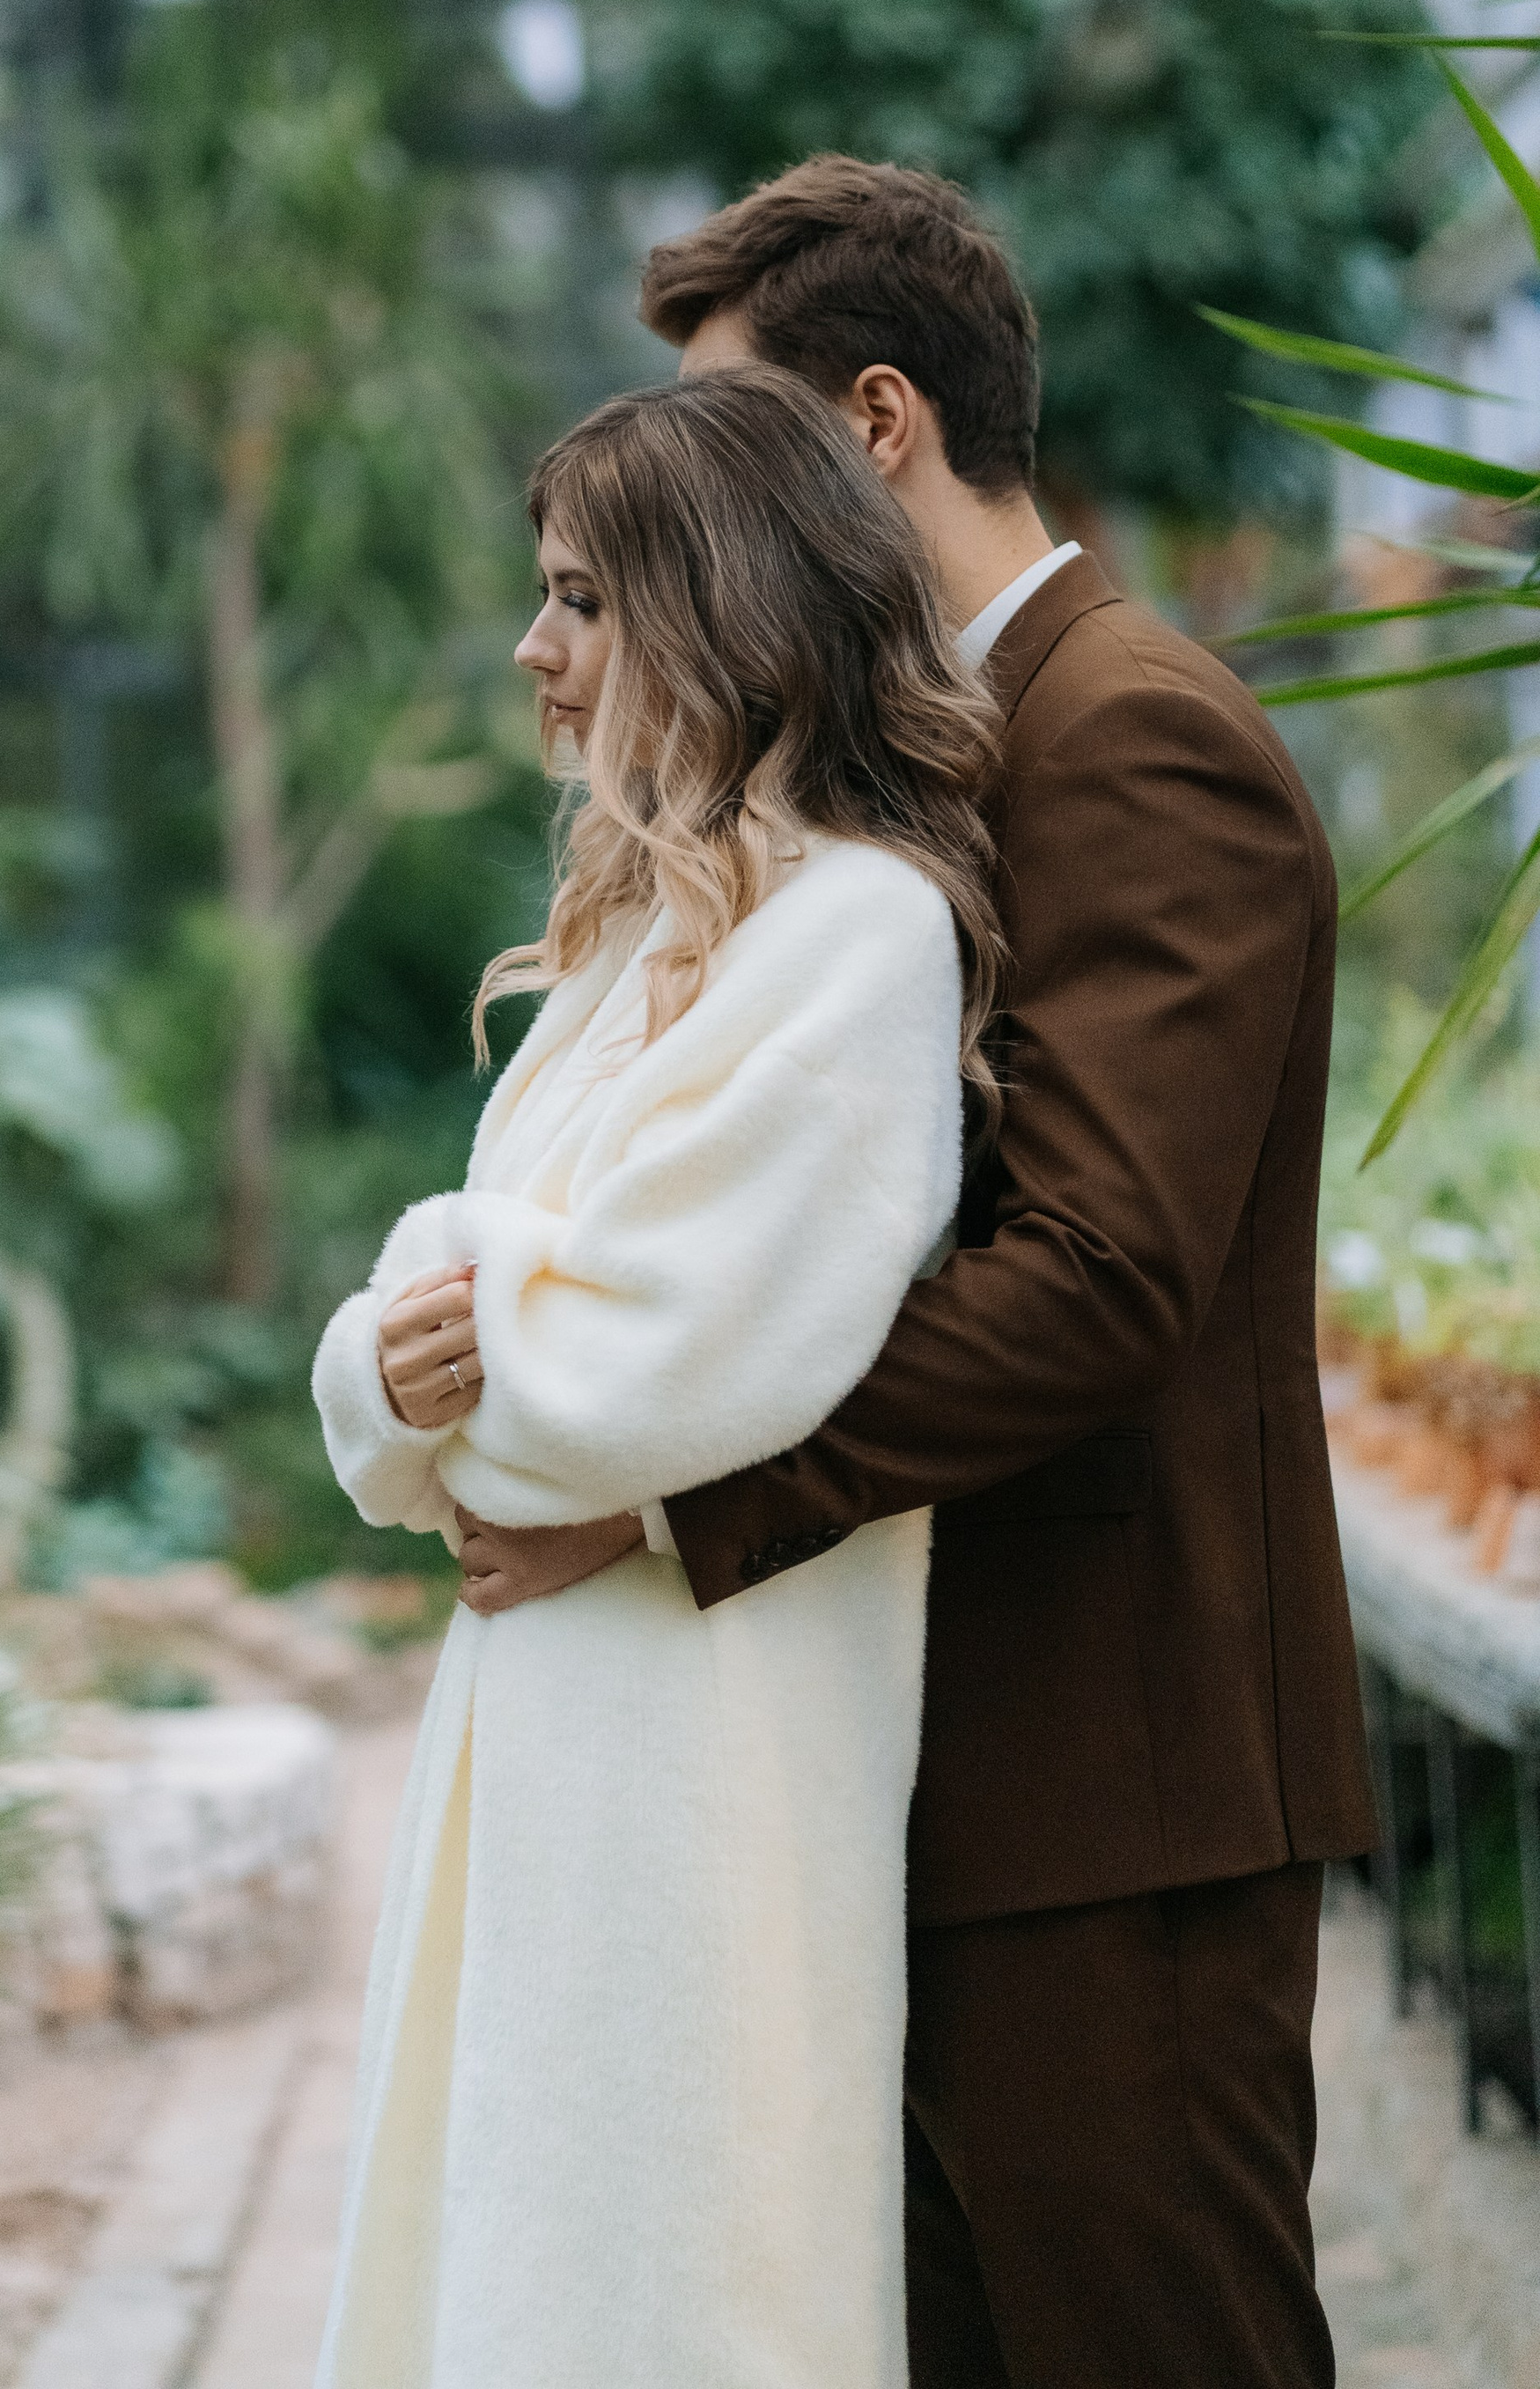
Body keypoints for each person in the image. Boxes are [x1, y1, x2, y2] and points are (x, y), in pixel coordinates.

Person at [455, 157, 1376, 2389]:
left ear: (872, 430)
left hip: (1109, 1775)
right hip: (909, 1751)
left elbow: (1088, 1273)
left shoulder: (1129, 733)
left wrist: (672, 1497)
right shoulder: (893, 762)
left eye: (741, 447)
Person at [310, 364, 1003, 2389]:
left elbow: (672, 1356)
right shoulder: (625, 950)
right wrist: (394, 1362)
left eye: (582, 599)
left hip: (706, 1745)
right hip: (544, 1720)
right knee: (515, 2254)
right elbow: (446, 1382)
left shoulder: (860, 934)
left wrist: (434, 1293)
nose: (534, 647)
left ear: (725, 607)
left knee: (671, 2273)